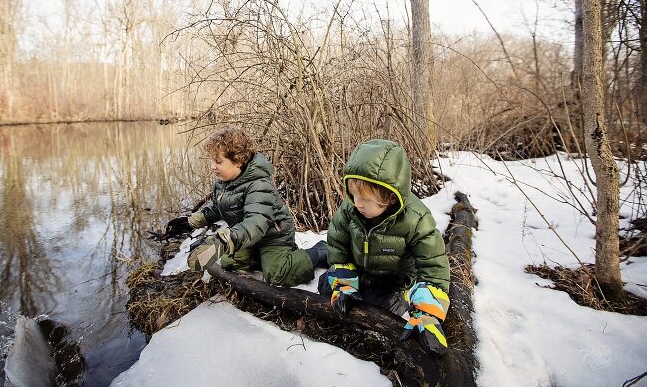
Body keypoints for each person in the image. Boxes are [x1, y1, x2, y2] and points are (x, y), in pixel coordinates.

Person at [319, 138, 451, 356]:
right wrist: (343, 285)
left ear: (390, 197)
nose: (357, 203)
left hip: (393, 282)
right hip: (360, 270)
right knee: (327, 287)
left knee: (380, 307)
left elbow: (434, 267)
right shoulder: (349, 210)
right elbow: (339, 249)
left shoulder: (417, 219)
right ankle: (321, 255)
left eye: (366, 199)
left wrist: (427, 314)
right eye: (354, 195)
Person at [167, 126, 328, 287]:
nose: (212, 166)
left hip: (272, 237)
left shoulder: (258, 185)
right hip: (248, 236)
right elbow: (217, 207)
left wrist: (225, 240)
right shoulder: (224, 183)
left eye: (218, 162)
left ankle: (320, 252)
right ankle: (259, 257)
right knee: (230, 262)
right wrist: (192, 221)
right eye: (212, 161)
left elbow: (255, 223)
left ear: (238, 161)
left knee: (278, 274)